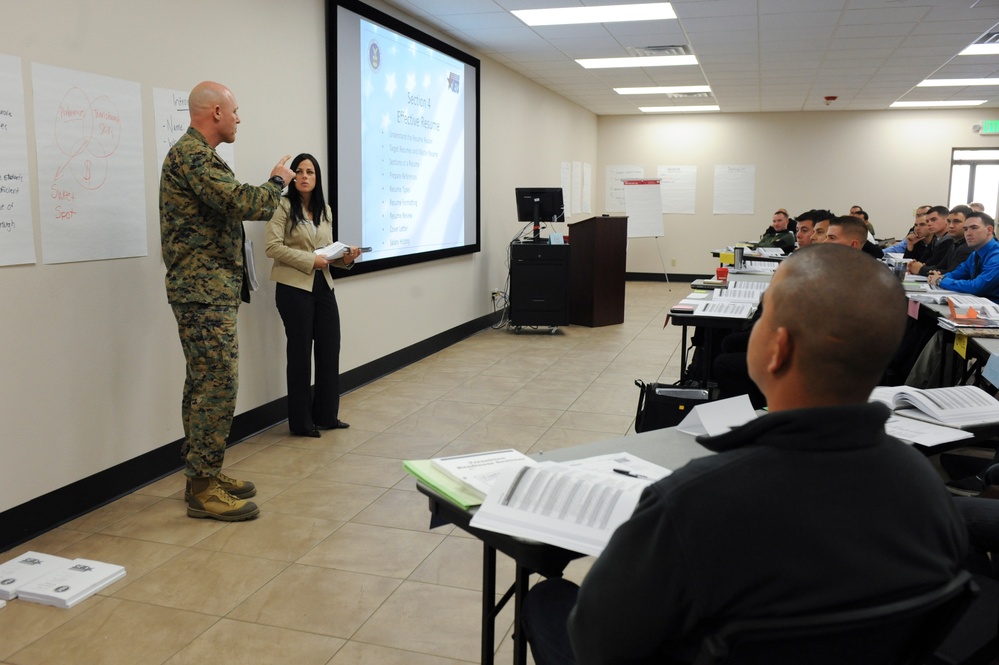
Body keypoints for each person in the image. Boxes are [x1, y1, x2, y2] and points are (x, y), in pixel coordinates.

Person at [521, 245, 968, 665]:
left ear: (778, 349)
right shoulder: (927, 484)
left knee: (546, 601)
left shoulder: (692, 501)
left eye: (762, 316)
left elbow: (598, 644)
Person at [160, 81, 294, 522]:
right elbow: (244, 203)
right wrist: (278, 181)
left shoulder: (199, 155)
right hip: (202, 293)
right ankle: (202, 487)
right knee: (216, 385)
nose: (239, 119)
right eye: (235, 111)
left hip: (207, 291)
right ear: (215, 112)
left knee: (203, 385)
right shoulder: (193, 156)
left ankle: (204, 474)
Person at [265, 153, 360, 437]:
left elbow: (327, 253)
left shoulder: (325, 210)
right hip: (294, 289)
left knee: (330, 350)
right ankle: (301, 423)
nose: (304, 176)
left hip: (323, 285)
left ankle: (326, 415)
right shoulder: (281, 206)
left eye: (310, 172)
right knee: (300, 355)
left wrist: (347, 257)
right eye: (299, 172)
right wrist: (310, 261)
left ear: (317, 179)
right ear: (292, 177)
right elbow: (272, 247)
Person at [908, 205, 973, 276]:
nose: (951, 225)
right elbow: (939, 267)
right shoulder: (954, 244)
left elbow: (953, 275)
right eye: (949, 221)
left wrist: (921, 269)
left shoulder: (968, 247)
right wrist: (916, 267)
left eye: (956, 221)